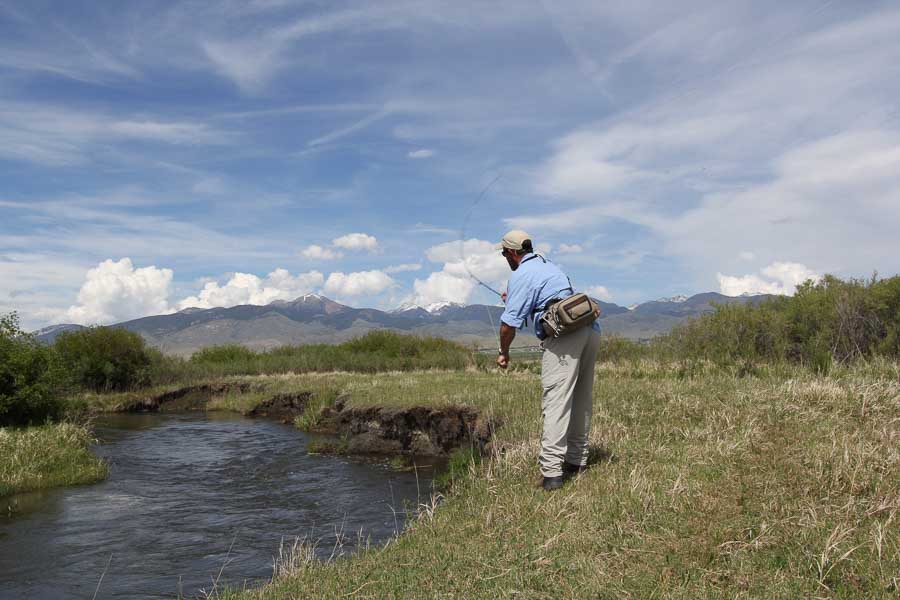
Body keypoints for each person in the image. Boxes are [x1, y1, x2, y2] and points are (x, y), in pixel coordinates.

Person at [494, 230, 602, 491]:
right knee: (580, 398)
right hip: (590, 329)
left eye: (504, 253)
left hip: (565, 336)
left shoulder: (520, 275)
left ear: (511, 253)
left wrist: (504, 352)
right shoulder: (547, 265)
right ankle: (577, 462)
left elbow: (508, 325)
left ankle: (552, 474)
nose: (505, 258)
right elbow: (547, 298)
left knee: (556, 401)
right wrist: (518, 302)